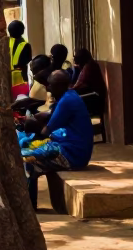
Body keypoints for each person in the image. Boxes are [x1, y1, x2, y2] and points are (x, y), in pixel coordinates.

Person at [20, 69, 94, 207]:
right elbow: (50, 115)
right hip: (71, 147)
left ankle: (28, 206)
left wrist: (32, 125)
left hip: (72, 154)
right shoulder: (69, 95)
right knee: (26, 144)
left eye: (51, 85)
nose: (48, 88)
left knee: (27, 160)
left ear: (59, 86)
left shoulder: (67, 101)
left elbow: (45, 131)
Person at [71, 48, 107, 116]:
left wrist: (70, 90)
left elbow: (81, 84)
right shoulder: (88, 65)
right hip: (93, 96)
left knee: (69, 101)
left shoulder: (89, 67)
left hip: (95, 98)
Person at [8, 21, 32, 100]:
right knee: (20, 100)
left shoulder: (5, 42)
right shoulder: (25, 45)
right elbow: (28, 61)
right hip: (21, 78)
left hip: (6, 75)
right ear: (22, 31)